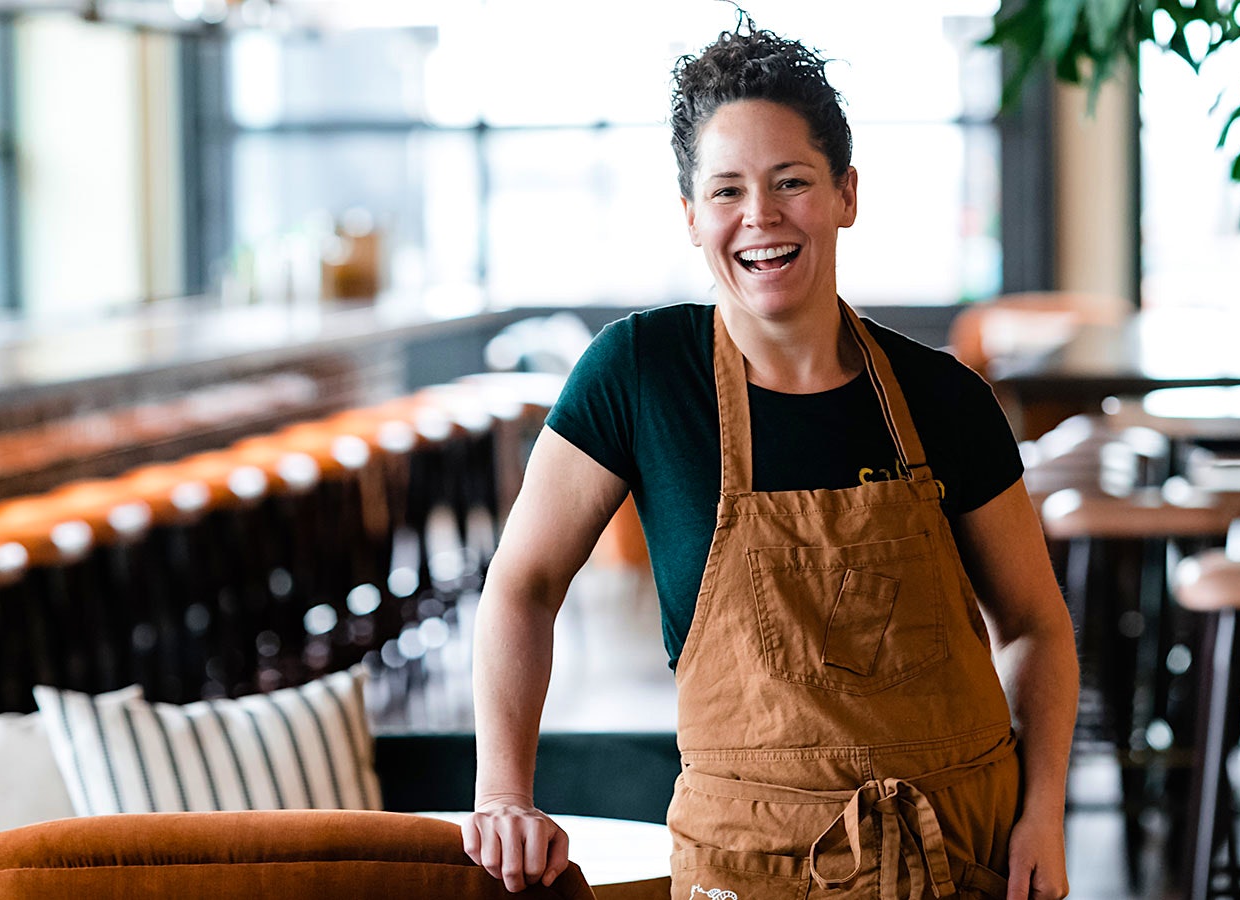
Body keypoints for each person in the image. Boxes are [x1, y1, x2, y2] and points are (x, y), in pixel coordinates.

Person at [462, 21, 1077, 900]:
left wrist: (1042, 813)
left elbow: (1036, 626)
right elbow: (521, 585)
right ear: (690, 216)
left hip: (960, 852)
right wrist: (501, 794)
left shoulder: (945, 397)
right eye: (726, 191)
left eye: (792, 181)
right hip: (748, 861)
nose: (761, 217)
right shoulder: (639, 373)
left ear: (845, 195)